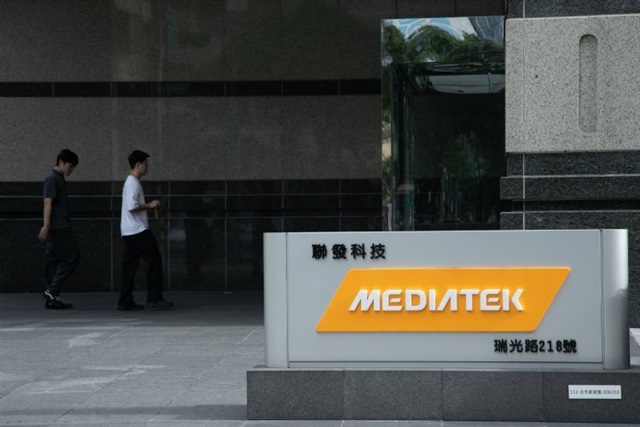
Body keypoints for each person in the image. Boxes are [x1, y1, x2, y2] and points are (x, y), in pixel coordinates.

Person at [118, 150, 173, 311]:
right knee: (155, 261)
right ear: (138, 165)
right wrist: (150, 205)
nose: (147, 167)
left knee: (129, 266)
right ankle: (155, 298)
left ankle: (125, 300)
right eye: (145, 164)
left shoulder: (131, 182)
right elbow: (131, 207)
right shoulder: (133, 183)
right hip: (137, 231)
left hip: (129, 231)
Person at [38, 149, 80, 309]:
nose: (71, 169)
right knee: (72, 256)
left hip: (57, 225)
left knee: (54, 260)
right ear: (61, 162)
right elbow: (47, 202)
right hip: (58, 226)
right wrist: (46, 225)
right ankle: (52, 291)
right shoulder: (52, 179)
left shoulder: (59, 178)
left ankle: (52, 297)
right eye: (70, 165)